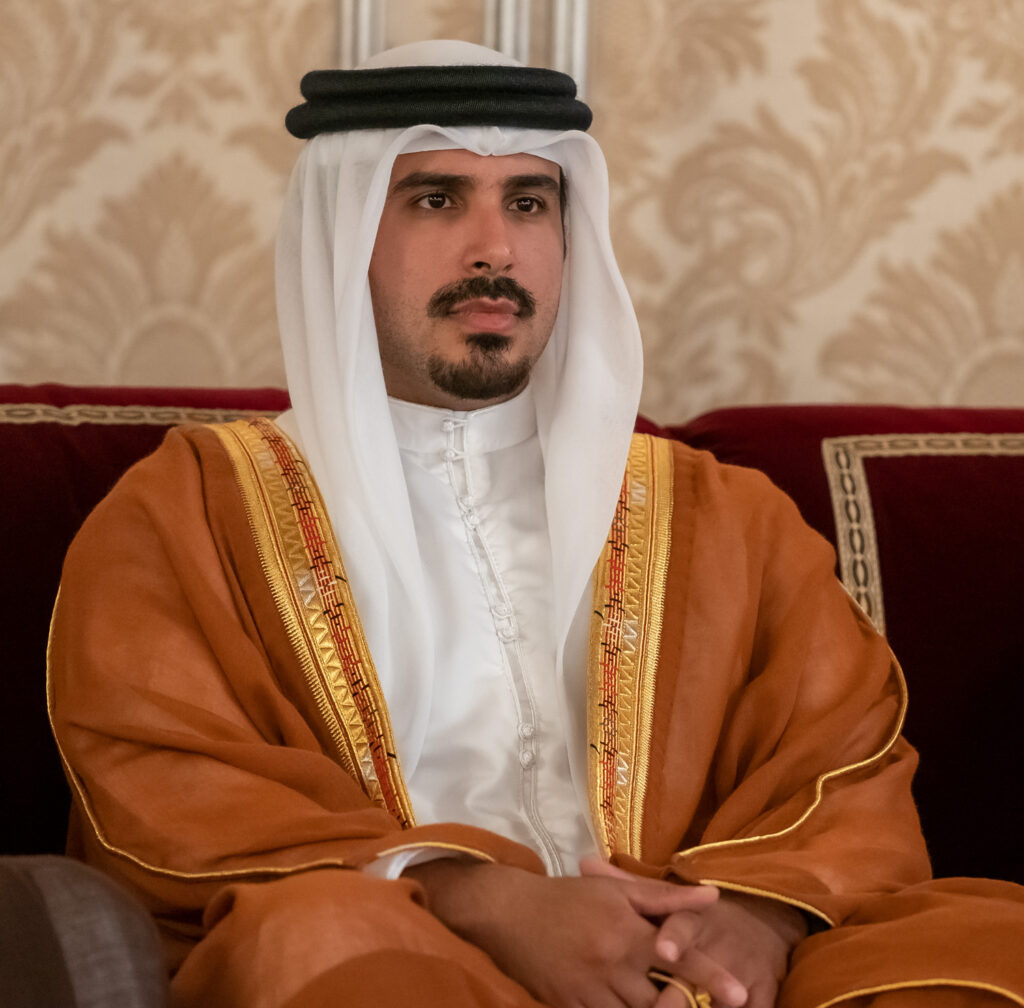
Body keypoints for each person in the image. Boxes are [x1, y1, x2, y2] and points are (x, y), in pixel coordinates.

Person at [47, 39, 1024, 1008]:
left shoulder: (725, 514)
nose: (495, 249)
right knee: (316, 934)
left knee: (987, 942)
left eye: (527, 202)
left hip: (698, 952)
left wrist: (757, 919)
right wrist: (483, 900)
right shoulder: (189, 511)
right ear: (342, 234)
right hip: (408, 941)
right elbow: (165, 785)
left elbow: (840, 761)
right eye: (436, 200)